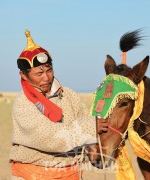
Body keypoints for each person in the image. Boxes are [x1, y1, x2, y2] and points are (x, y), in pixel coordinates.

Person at [9, 30, 108, 180]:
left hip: (72, 174)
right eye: (39, 73)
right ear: (24, 75)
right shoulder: (23, 103)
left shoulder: (69, 95)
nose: (46, 77)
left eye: (49, 70)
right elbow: (50, 138)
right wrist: (91, 127)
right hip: (33, 176)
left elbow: (87, 123)